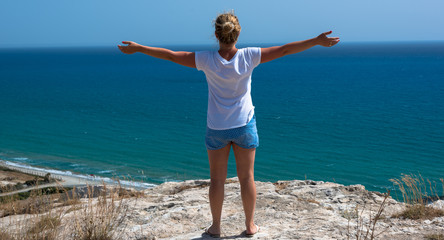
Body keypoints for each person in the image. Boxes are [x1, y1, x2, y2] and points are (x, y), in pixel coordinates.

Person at [118, 11, 339, 238]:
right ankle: (250, 225)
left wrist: (139, 48)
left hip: (217, 128)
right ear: (238, 32)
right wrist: (316, 41)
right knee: (247, 178)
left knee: (217, 180)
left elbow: (172, 56)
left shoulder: (205, 59)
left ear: (216, 34)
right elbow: (284, 50)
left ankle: (215, 227)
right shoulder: (249, 56)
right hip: (244, 125)